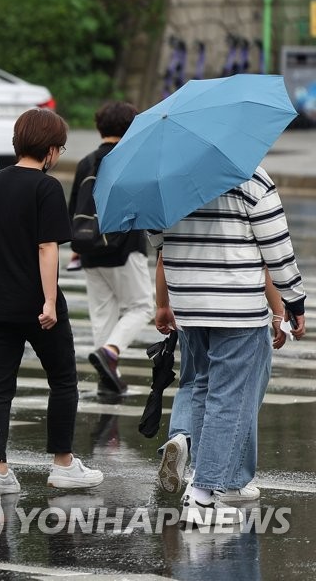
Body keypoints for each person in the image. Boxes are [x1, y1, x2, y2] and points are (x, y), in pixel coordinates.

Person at [152, 166, 305, 524]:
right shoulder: (251, 178)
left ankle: (198, 489)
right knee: (229, 398)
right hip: (236, 305)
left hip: (189, 304)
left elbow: (158, 239)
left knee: (204, 388)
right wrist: (293, 302)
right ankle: (205, 495)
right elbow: (276, 248)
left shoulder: (168, 178)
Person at [0, 108, 104, 494]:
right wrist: (47, 301)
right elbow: (48, 247)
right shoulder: (45, 188)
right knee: (62, 379)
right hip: (36, 304)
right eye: (59, 148)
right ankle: (62, 463)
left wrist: (2, 256)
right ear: (49, 150)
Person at [157, 270, 289, 498]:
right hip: (237, 306)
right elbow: (267, 259)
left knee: (196, 381)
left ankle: (183, 437)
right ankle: (230, 480)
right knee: (238, 392)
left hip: (188, 306)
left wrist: (162, 304)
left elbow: (162, 258)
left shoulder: (175, 231)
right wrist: (280, 310)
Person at [68, 102, 154, 398]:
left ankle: (109, 377)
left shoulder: (85, 162)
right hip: (124, 247)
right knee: (141, 306)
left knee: (103, 315)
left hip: (89, 250)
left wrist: (78, 247)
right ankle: (111, 352)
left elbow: (74, 209)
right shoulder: (131, 161)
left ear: (99, 127)